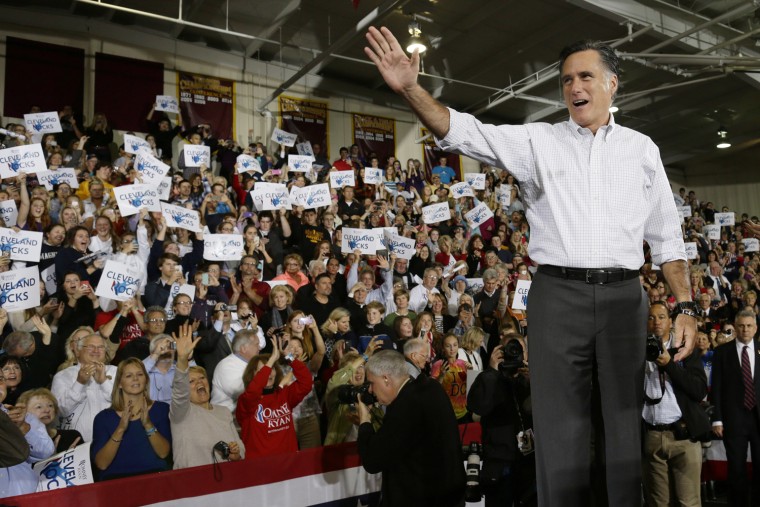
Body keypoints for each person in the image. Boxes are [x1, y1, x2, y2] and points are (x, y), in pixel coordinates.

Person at [364, 27, 696, 506]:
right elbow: (462, 130)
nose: (574, 88)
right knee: (559, 428)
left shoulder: (642, 150)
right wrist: (412, 88)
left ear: (612, 84)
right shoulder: (538, 141)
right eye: (565, 80)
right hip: (558, 297)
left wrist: (685, 305)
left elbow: (668, 237)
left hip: (626, 298)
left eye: (585, 76)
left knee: (624, 425)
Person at [356, 350, 465, 507]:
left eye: (372, 383)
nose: (370, 390)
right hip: (449, 496)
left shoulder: (406, 405)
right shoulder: (432, 387)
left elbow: (373, 460)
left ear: (386, 379)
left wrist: (365, 421)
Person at [641, 302, 709, 506]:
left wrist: (669, 364)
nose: (656, 322)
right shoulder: (635, 352)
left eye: (662, 317)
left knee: (688, 502)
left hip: (683, 437)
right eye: (651, 317)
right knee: (658, 503)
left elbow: (699, 391)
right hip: (651, 436)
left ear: (671, 321)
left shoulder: (685, 349)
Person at [467, 335, 535, 507]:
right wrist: (492, 371)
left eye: (519, 350)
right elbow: (478, 406)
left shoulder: (531, 380)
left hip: (528, 462)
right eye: (509, 349)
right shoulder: (490, 378)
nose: (514, 353)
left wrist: (535, 382)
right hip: (499, 462)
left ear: (526, 354)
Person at [170, 323, 244, 469]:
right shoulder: (181, 412)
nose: (199, 382)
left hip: (226, 480)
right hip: (193, 483)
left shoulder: (223, 412)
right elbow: (179, 392)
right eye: (191, 381)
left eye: (202, 378)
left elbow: (240, 449)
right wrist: (183, 359)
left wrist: (236, 454)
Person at [91, 358, 172, 480]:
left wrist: (148, 424)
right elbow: (102, 464)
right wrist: (120, 429)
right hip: (115, 484)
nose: (135, 379)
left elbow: (163, 453)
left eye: (140, 374)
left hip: (155, 481)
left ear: (146, 380)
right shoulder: (103, 418)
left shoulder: (162, 409)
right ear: (119, 383)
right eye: (129, 376)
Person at [711, 309, 760, 506]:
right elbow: (717, 388)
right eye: (741, 325)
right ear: (735, 327)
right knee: (736, 469)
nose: (745, 329)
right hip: (734, 420)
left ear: (755, 328)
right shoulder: (722, 352)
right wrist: (717, 418)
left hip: (758, 420)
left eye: (749, 325)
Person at [236, 339, 313, 457]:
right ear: (253, 375)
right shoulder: (246, 401)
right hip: (261, 467)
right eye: (263, 370)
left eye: (272, 369)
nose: (269, 373)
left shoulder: (284, 395)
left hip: (289, 465)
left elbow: (306, 382)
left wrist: (289, 356)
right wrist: (272, 359)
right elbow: (253, 391)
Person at [51, 333, 117, 442]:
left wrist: (104, 381)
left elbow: (124, 402)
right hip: (78, 443)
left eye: (100, 347)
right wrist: (79, 383)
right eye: (91, 347)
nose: (96, 350)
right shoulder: (63, 376)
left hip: (113, 439)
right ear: (78, 352)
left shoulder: (116, 371)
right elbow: (61, 411)